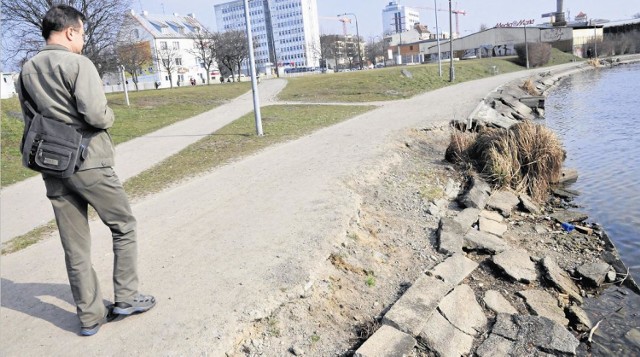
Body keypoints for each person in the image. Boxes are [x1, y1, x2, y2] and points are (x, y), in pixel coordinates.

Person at [18, 4, 155, 336]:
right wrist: (110, 117)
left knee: (74, 245)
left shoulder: (26, 70)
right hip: (89, 160)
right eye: (82, 32)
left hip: (52, 165)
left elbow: (30, 121)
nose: (83, 38)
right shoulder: (78, 63)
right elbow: (95, 114)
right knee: (123, 225)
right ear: (70, 32)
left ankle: (89, 317)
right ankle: (126, 297)